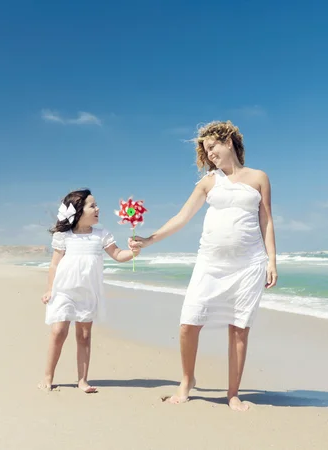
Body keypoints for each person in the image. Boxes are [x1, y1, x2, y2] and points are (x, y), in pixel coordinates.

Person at [129, 121, 278, 411]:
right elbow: (182, 217)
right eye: (205, 150)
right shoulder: (209, 181)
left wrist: (272, 261)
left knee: (239, 329)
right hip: (210, 263)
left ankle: (232, 393)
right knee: (189, 323)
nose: (209, 154)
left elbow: (267, 221)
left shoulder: (259, 177)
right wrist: (148, 240)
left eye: (213, 147)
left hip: (249, 264)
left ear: (230, 142)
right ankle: (187, 380)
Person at [38, 189, 140, 393]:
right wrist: (50, 289)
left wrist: (134, 252)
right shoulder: (63, 236)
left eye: (96, 205)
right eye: (92, 205)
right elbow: (55, 264)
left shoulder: (101, 234)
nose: (97, 208)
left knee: (84, 335)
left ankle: (82, 380)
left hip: (88, 291)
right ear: (78, 211)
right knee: (58, 331)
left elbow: (118, 254)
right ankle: (48, 377)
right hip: (64, 289)